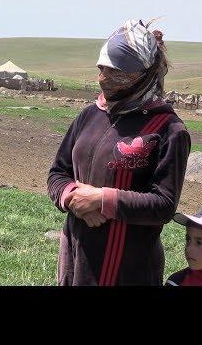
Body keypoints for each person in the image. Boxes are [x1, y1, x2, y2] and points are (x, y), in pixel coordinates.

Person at [47, 18, 191, 285]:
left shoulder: (168, 129)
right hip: (77, 258)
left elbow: (163, 205)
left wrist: (102, 199)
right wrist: (74, 200)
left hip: (127, 268)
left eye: (118, 73)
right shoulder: (90, 115)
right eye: (102, 68)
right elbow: (58, 173)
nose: (104, 79)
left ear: (144, 75)